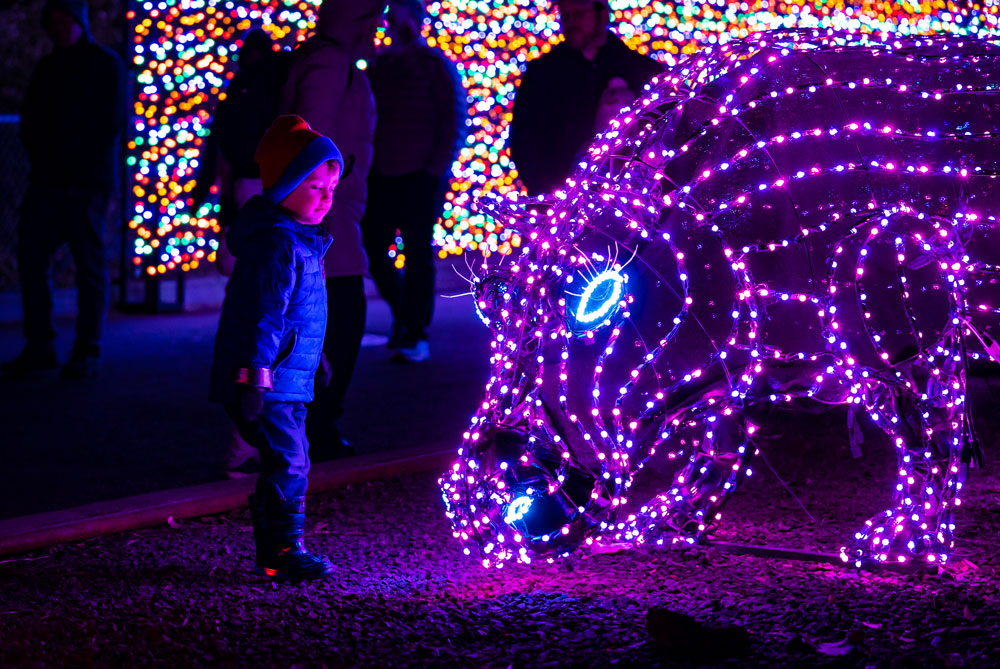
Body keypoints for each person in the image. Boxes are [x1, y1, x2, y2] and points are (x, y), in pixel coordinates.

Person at [209, 115, 343, 581]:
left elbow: (295, 315)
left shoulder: (300, 241)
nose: (327, 198)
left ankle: (282, 545)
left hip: (287, 376)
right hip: (269, 379)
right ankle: (283, 550)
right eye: (315, 187)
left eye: (331, 188)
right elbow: (263, 314)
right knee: (289, 459)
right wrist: (253, 375)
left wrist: (315, 358)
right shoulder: (279, 245)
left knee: (290, 457)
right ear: (284, 186)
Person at [280, 0, 385, 459]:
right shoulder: (330, 61)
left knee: (328, 315)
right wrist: (341, 173)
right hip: (328, 210)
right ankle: (317, 424)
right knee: (338, 316)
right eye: (370, 17)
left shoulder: (324, 58)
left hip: (331, 207)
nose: (376, 27)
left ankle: (313, 422)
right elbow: (313, 136)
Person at [3, 0, 125, 378]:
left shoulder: (99, 64)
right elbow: (32, 120)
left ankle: (82, 348)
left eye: (62, 20)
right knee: (37, 259)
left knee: (85, 263)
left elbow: (110, 122)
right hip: (54, 179)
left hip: (81, 182)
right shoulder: (54, 66)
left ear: (78, 23)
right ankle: (48, 345)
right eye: (53, 22)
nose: (57, 28)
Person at [191, 28, 288, 478]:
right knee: (262, 301)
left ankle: (248, 440)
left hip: (246, 186)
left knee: (251, 294)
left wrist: (205, 189)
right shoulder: (273, 86)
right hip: (259, 184)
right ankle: (256, 439)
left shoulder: (244, 88)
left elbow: (220, 140)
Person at [362, 0, 466, 362]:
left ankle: (415, 330)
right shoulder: (381, 66)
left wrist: (435, 168)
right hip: (382, 174)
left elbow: (453, 118)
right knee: (374, 249)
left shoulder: (434, 65)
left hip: (421, 175)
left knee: (417, 252)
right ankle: (406, 318)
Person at [508, 0, 662, 196]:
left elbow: (664, 135)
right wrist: (551, 195)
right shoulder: (542, 75)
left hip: (631, 199)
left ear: (603, 14)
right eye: (566, 15)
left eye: (579, 13)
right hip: (561, 202)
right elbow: (525, 142)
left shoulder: (642, 70)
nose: (571, 22)